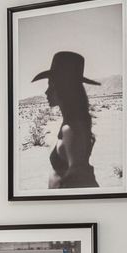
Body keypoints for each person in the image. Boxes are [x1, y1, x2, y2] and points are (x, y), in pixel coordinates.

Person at [31, 50, 101, 189]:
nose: (46, 91)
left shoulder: (71, 129)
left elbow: (81, 179)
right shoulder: (72, 123)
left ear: (64, 87)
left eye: (51, 85)